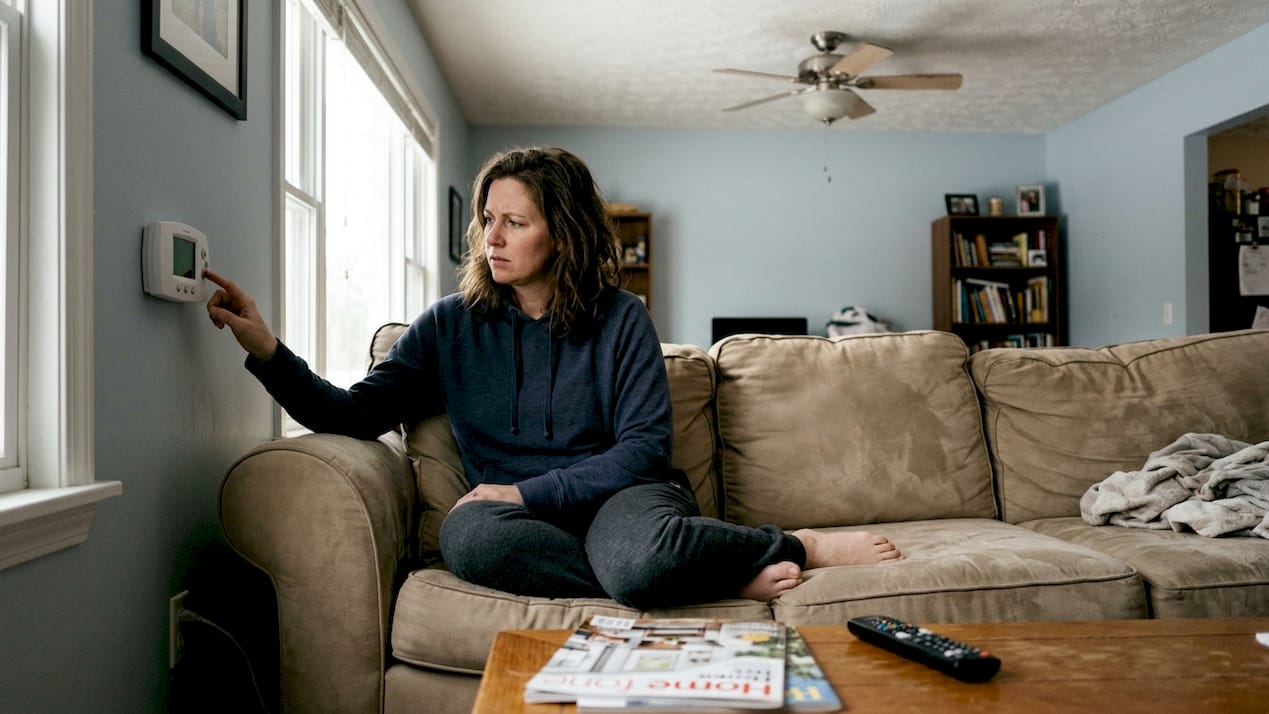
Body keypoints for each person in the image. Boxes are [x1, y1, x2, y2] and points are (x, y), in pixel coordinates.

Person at [206, 146, 902, 610]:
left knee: (637, 559)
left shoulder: (622, 317)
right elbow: (354, 414)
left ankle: (797, 544)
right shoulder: (449, 325)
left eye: (514, 222)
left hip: (624, 494)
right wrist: (267, 347)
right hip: (520, 522)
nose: (492, 238)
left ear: (561, 235)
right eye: (487, 221)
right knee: (467, 537)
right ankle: (699, 572)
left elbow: (643, 448)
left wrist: (525, 486)